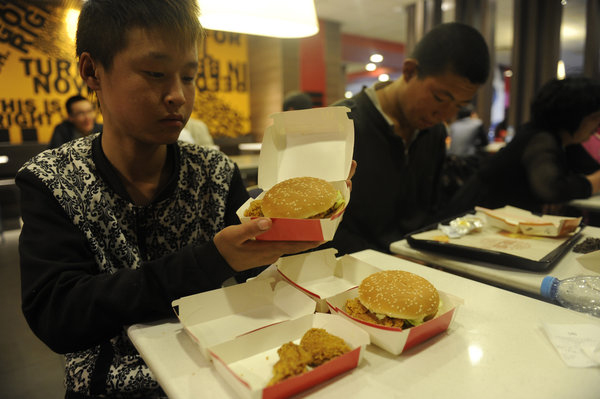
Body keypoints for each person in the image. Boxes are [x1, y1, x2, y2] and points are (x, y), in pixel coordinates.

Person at [16, 1, 337, 397]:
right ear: (91, 71)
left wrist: (314, 216)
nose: (177, 96)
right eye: (154, 74)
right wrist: (212, 259)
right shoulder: (51, 179)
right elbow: (57, 316)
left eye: (189, 76)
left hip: (220, 374)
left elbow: (262, 287)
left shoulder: (215, 173)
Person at [326, 22, 490, 255]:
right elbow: (324, 227)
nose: (445, 115)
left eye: (459, 106)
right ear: (410, 71)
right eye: (440, 98)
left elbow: (429, 211)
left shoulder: (435, 132)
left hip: (415, 263)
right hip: (350, 270)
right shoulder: (342, 123)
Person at [441, 76, 600, 218]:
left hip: (497, 219)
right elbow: (551, 189)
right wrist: (593, 182)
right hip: (472, 219)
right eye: (594, 117)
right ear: (572, 116)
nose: (597, 125)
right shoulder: (540, 139)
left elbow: (587, 169)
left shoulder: (563, 141)